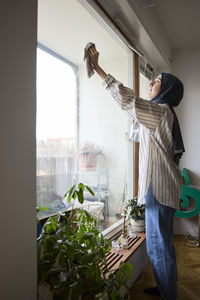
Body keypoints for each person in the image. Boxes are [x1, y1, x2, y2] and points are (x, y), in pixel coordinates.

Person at [87, 46, 185, 300]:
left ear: (166, 91)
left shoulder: (161, 111)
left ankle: (169, 295)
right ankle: (166, 288)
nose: (152, 82)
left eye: (158, 81)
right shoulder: (162, 114)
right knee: (160, 245)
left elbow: (129, 101)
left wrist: (98, 69)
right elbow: (137, 128)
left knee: (159, 246)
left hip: (159, 189)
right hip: (161, 188)